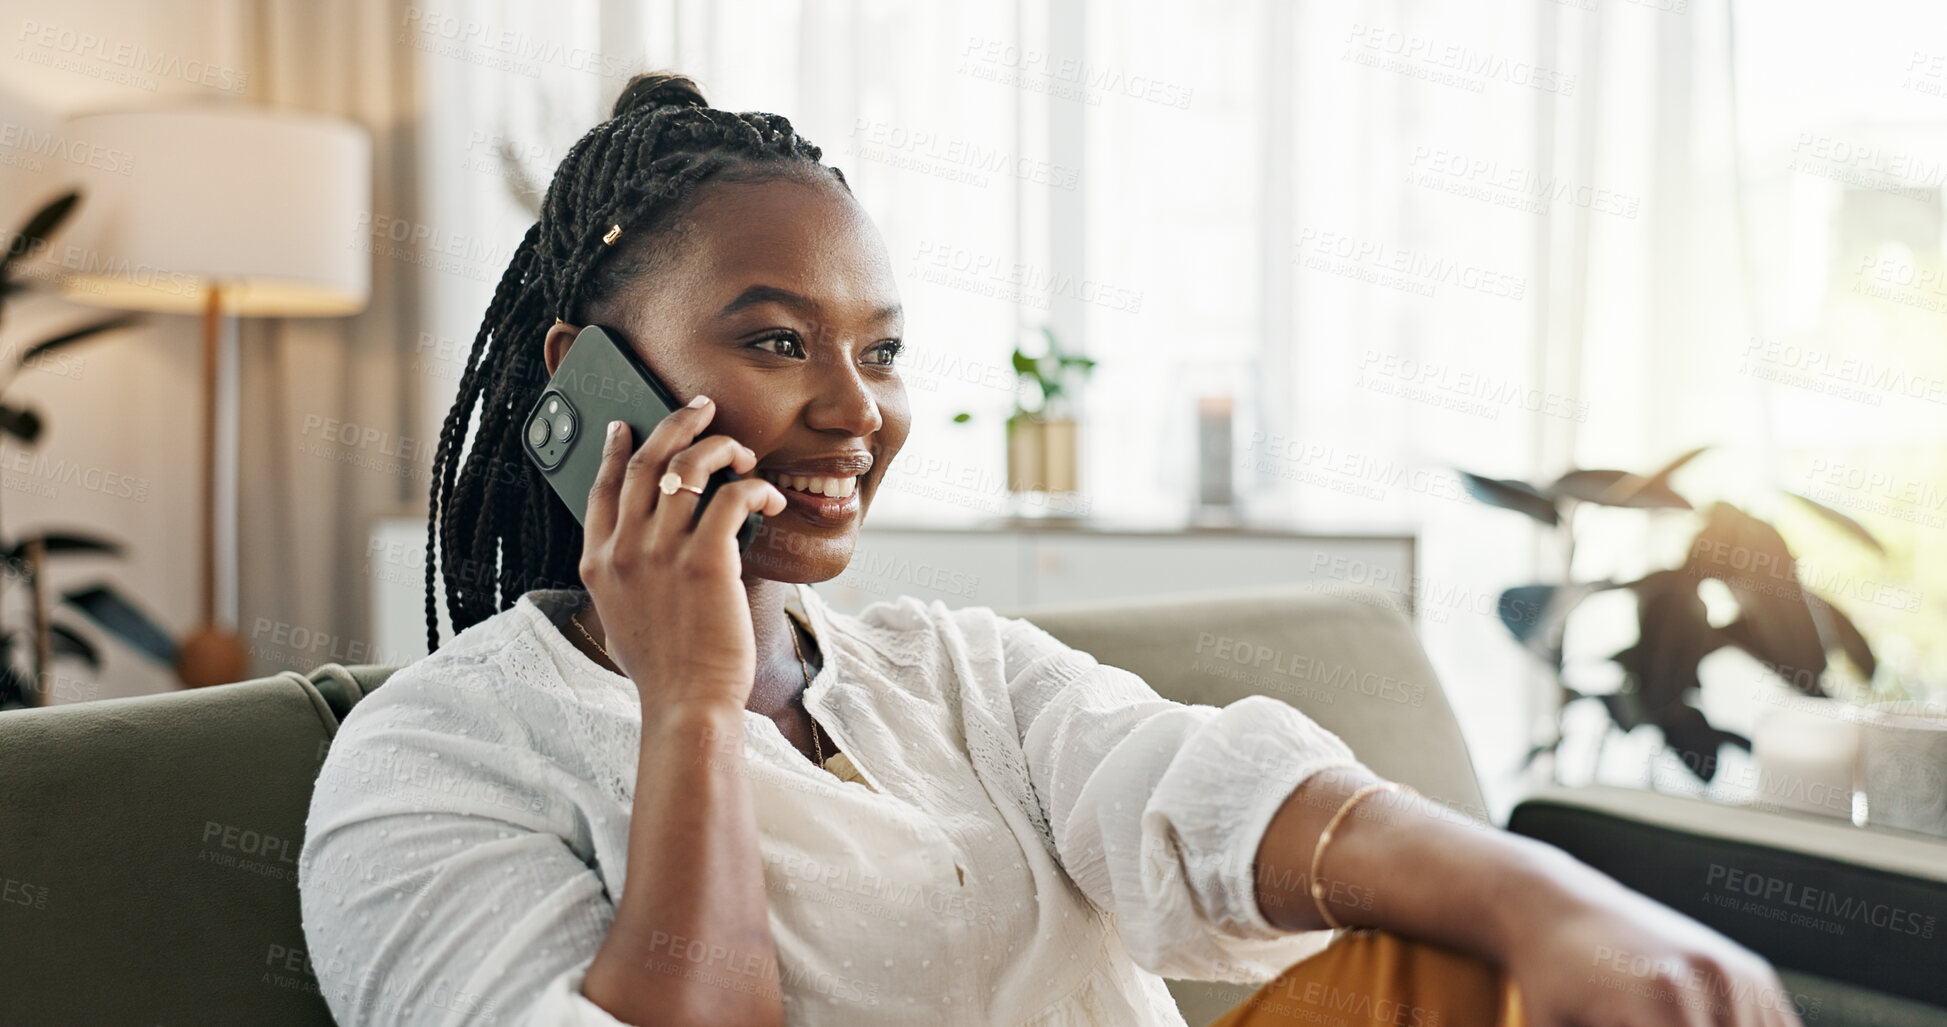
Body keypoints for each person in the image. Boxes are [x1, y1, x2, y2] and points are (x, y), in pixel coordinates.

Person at [297, 71, 1805, 1027]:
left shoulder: (949, 669)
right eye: (776, 340)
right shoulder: (436, 758)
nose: (855, 411)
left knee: (1473, 966)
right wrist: (688, 706)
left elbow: (1216, 791)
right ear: (584, 378)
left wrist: (1568, 907)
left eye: (882, 352)